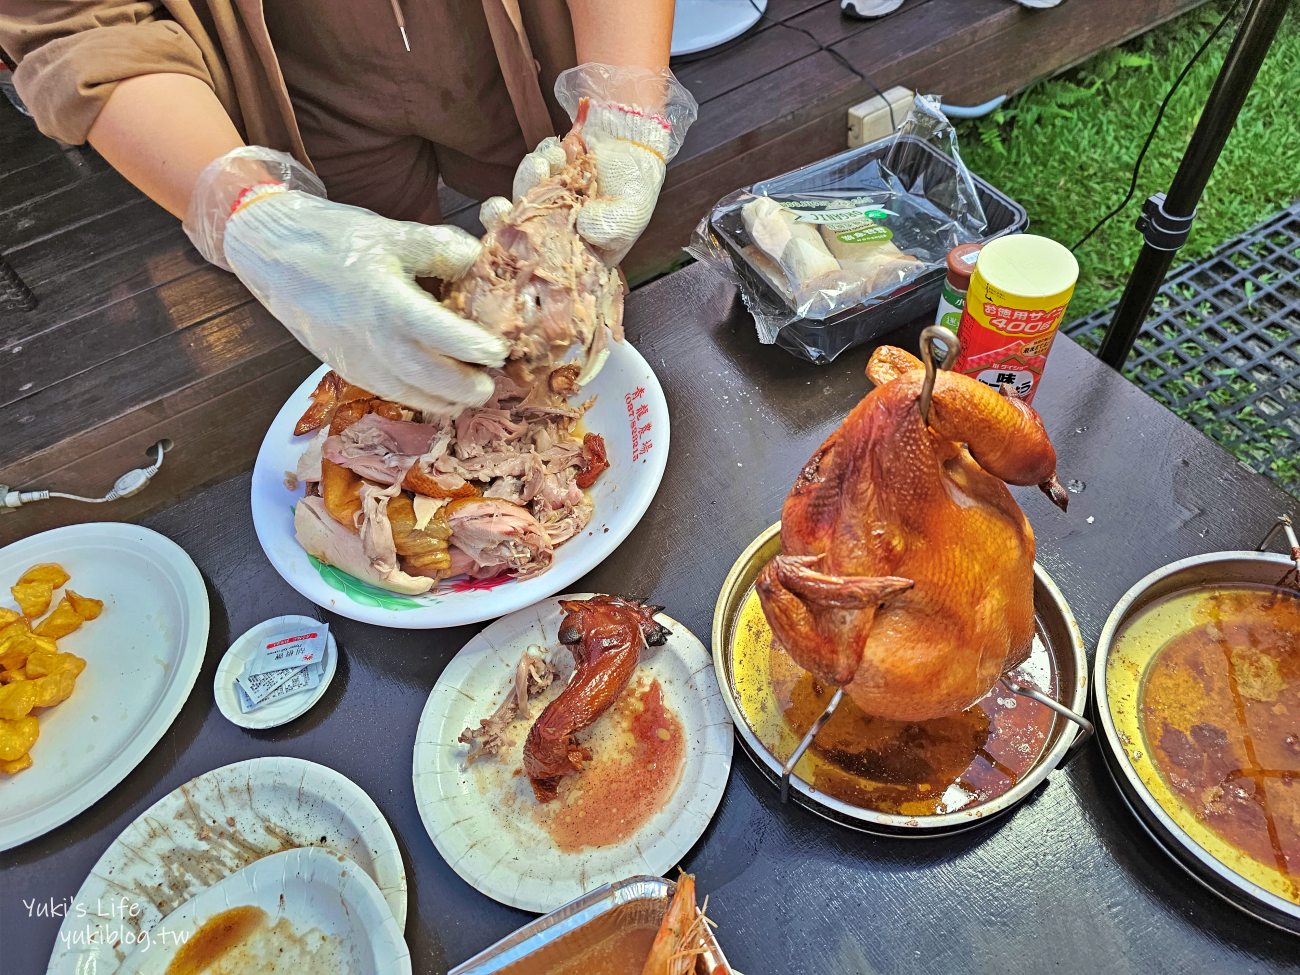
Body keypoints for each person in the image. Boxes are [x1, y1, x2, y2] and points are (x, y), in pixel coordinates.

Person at [0, 1, 697, 413]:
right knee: (382, 328)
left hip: (520, 36)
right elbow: (73, 20)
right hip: (289, 64)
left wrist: (622, 108)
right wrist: (255, 218)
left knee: (566, 270)